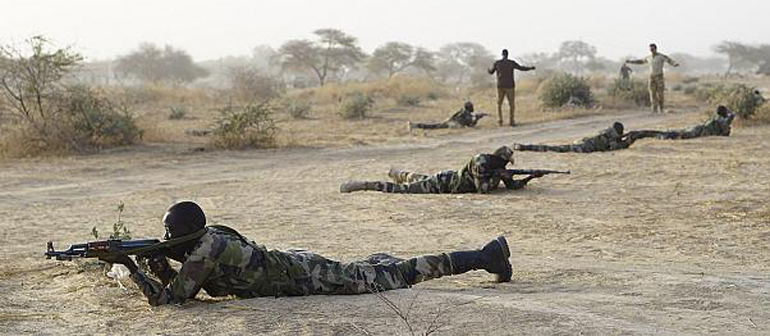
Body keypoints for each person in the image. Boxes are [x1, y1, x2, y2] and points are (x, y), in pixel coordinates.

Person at [98, 202, 513, 306]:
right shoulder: (206, 240)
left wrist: (130, 267)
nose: (166, 239)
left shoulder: (207, 249)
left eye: (171, 237)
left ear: (187, 234)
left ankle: (484, 255)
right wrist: (156, 261)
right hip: (294, 265)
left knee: (398, 276)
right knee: (370, 269)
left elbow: (171, 300)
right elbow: (186, 284)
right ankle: (378, 261)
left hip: (304, 276)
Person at [339, 146, 547, 193]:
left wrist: (530, 177)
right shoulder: (481, 162)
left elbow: (513, 186)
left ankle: (398, 173)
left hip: (447, 180)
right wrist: (499, 176)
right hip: (445, 183)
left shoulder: (497, 168)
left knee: (416, 178)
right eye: (505, 165)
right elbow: (482, 188)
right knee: (405, 190)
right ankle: (364, 185)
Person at [625, 43, 679, 113]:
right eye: (650, 49)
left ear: (655, 49)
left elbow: (669, 60)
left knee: (660, 94)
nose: (651, 50)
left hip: (659, 77)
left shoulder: (661, 56)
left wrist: (674, 64)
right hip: (652, 77)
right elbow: (641, 61)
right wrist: (631, 61)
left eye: (652, 49)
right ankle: (654, 109)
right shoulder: (649, 57)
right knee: (652, 93)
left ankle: (661, 108)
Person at [514, 122, 635, 153]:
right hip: (583, 148)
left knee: (554, 148)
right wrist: (628, 140)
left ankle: (525, 147)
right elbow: (617, 147)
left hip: (583, 143)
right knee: (554, 149)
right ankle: (525, 147)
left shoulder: (606, 133)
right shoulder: (611, 138)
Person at [488, 49, 536, 127]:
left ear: (502, 54)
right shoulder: (511, 63)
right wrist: (530, 68)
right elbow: (521, 68)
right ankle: (511, 121)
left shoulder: (497, 63)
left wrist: (488, 70)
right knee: (511, 104)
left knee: (499, 103)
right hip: (510, 86)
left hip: (500, 86)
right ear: (507, 55)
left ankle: (500, 120)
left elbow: (491, 72)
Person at [633, 106, 736, 140]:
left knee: (673, 132)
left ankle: (645, 133)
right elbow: (727, 128)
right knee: (673, 135)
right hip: (697, 132)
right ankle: (648, 134)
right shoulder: (723, 121)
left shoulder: (718, 119)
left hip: (698, 129)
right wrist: (731, 114)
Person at [408, 101, 487, 131]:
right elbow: (470, 125)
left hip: (451, 122)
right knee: (433, 126)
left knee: (433, 126)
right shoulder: (466, 114)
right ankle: (415, 125)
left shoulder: (463, 111)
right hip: (452, 124)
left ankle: (415, 125)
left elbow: (454, 116)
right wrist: (477, 118)